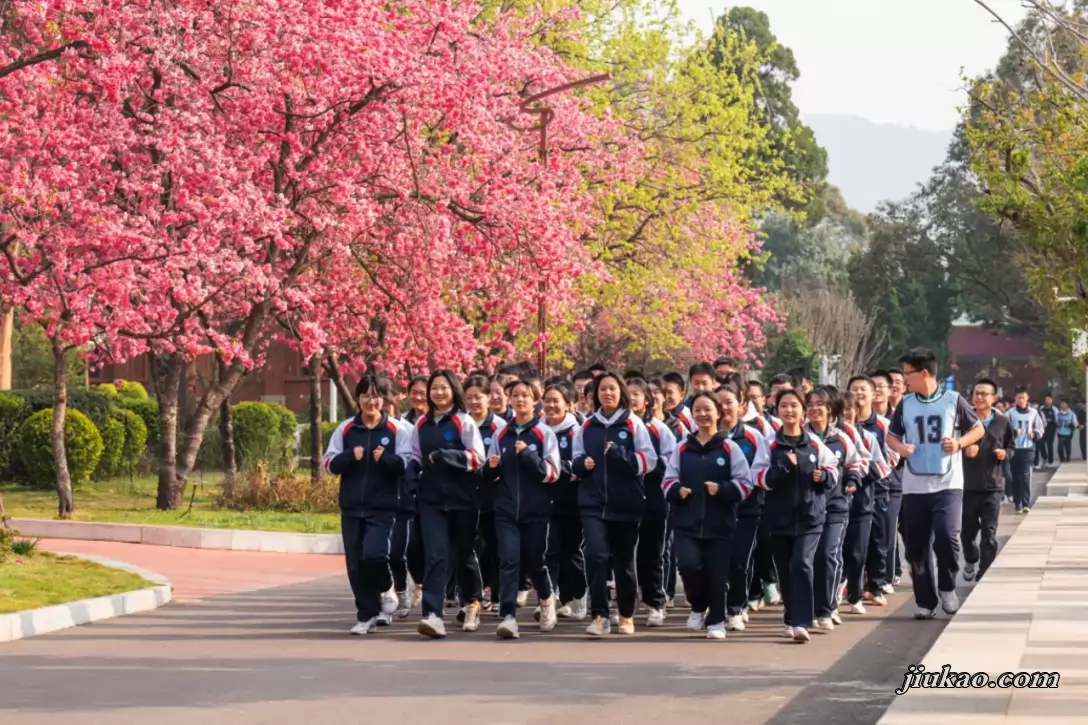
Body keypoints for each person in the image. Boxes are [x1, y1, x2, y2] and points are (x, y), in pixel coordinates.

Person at [887, 348, 984, 618]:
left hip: (948, 483)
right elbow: (891, 437)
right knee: (916, 547)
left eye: (908, 374)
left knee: (947, 537)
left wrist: (959, 443)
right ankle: (925, 602)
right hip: (914, 485)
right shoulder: (906, 404)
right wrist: (900, 448)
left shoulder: (954, 400)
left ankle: (948, 587)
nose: (904, 380)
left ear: (924, 373)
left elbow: (978, 429)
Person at [323, 374, 413, 635]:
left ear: (384, 399)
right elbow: (328, 463)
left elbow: (406, 464)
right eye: (365, 395)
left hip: (383, 506)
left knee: (374, 555)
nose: (370, 401)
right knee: (355, 564)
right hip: (351, 507)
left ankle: (386, 588)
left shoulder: (399, 430)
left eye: (376, 396)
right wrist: (350, 456)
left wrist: (385, 459)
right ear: (358, 398)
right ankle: (366, 615)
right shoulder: (346, 429)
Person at [572, 372, 658, 636]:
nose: (607, 394)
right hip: (592, 502)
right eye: (602, 390)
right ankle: (599, 615)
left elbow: (649, 460)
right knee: (595, 555)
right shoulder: (587, 426)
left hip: (626, 503)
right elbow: (574, 461)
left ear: (620, 392)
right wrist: (580, 465)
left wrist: (623, 456)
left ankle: (626, 613)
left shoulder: (633, 423)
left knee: (623, 562)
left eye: (612, 389)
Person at [662, 390, 754, 640]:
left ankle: (716, 622)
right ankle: (697, 605)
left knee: (716, 574)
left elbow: (745, 484)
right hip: (686, 523)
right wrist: (677, 491)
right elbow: (667, 481)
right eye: (697, 410)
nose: (703, 414)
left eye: (707, 409)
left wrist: (723, 490)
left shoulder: (729, 448)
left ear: (718, 412)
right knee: (689, 567)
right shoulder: (682, 448)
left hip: (720, 525)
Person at [753, 388, 839, 644]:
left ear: (803, 411)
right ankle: (791, 617)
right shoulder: (768, 443)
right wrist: (779, 469)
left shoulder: (814, 443)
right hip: (778, 519)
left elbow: (833, 470)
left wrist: (823, 476)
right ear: (776, 411)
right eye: (784, 406)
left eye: (794, 405)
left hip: (810, 517)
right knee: (786, 570)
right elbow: (757, 477)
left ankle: (802, 621)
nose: (789, 411)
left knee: (802, 563)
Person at [408, 370, 487, 638]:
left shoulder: (463, 422)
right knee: (436, 554)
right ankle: (433, 614)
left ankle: (473, 602)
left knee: (463, 555)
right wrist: (411, 474)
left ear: (453, 390)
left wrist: (447, 457)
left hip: (463, 501)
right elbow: (416, 456)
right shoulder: (421, 424)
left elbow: (478, 458)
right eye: (434, 388)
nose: (438, 393)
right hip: (431, 501)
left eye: (443, 388)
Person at [483, 378, 562, 639]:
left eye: (525, 395)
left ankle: (546, 598)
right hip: (505, 509)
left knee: (534, 561)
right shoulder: (501, 434)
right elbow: (489, 473)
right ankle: (507, 616)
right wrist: (491, 466)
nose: (520, 400)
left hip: (535, 510)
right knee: (509, 559)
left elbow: (552, 473)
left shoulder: (543, 433)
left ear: (535, 400)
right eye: (515, 395)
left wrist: (529, 455)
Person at [805, 387, 863, 632]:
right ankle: (806, 608)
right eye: (811, 403)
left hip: (836, 505)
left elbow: (856, 462)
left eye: (821, 404)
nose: (815, 408)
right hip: (806, 508)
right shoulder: (800, 436)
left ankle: (827, 608)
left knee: (829, 554)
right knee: (808, 559)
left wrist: (852, 481)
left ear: (831, 409)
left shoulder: (842, 437)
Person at [716, 384, 765, 632]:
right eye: (719, 403)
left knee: (739, 561)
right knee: (714, 562)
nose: (724, 408)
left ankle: (736, 607)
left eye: (729, 402)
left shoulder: (754, 437)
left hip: (747, 510)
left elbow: (761, 473)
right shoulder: (703, 436)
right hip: (712, 511)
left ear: (742, 407)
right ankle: (714, 606)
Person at [629, 377, 677, 627]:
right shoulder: (618, 427)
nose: (633, 398)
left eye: (637, 393)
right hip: (623, 498)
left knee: (652, 552)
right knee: (623, 555)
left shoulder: (658, 428)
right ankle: (626, 604)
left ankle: (655, 603)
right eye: (629, 393)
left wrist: (648, 462)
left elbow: (672, 462)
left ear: (647, 399)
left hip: (654, 497)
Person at [542, 382, 587, 620]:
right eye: (547, 400)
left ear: (569, 404)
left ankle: (576, 596)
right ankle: (552, 598)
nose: (550, 405)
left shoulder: (577, 431)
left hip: (571, 498)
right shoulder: (539, 429)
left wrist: (558, 469)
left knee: (570, 549)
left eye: (555, 401)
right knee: (548, 550)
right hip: (544, 498)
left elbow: (581, 464)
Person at [961, 378, 1013, 583]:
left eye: (984, 394)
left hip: (993, 486)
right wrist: (964, 449)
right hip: (967, 486)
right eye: (976, 393)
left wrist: (1004, 453)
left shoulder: (1002, 422)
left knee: (989, 533)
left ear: (994, 398)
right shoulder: (964, 421)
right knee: (966, 532)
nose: (979, 397)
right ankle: (971, 558)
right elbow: (950, 446)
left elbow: (1011, 446)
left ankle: (984, 573)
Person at [465, 375, 506, 612]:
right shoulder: (462, 423)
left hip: (494, 496)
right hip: (467, 495)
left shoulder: (499, 427)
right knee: (472, 547)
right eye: (469, 397)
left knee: (496, 547)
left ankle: (499, 596)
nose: (473, 402)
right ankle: (474, 596)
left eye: (478, 397)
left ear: (489, 397)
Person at [1006, 387, 1044, 514]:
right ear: (1015, 399)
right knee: (1015, 476)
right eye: (1018, 398)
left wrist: (1034, 434)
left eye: (1023, 397)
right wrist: (1013, 433)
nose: (1021, 400)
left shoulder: (1033, 413)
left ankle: (1026, 503)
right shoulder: (1010, 413)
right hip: (1014, 448)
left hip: (1028, 448)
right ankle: (1018, 503)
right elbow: (1003, 430)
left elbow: (1040, 428)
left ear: (1027, 398)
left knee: (1025, 475)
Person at [1038, 394, 1058, 469]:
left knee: (1050, 445)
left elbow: (1057, 418)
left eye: (1049, 399)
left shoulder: (1054, 409)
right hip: (1043, 428)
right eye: (1046, 399)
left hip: (1051, 428)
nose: (1048, 401)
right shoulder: (1041, 408)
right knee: (1041, 443)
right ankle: (1044, 457)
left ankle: (1050, 461)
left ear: (1052, 400)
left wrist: (1051, 420)